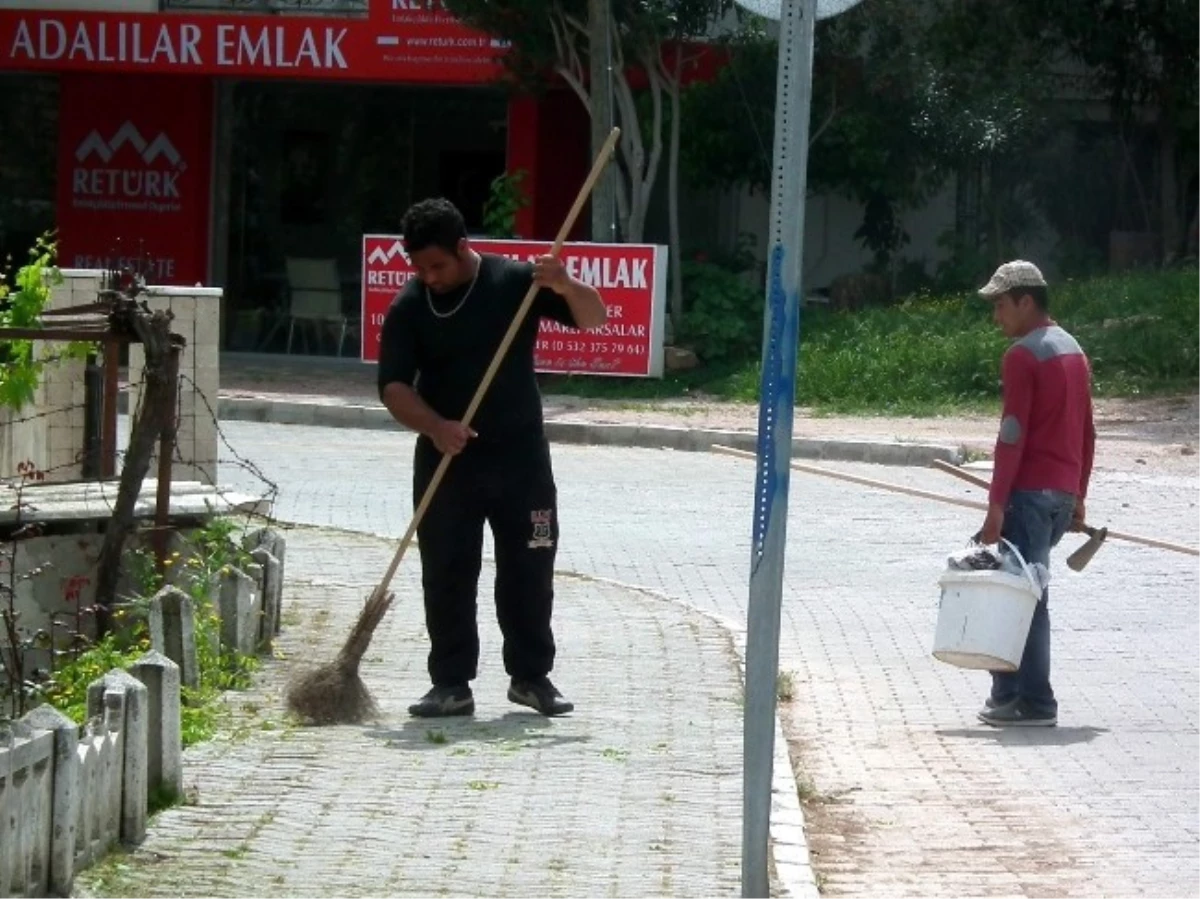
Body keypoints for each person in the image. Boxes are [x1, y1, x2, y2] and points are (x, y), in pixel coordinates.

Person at [377, 198, 607, 719]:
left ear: (463, 247)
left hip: (522, 461)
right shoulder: (410, 308)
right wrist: (436, 427)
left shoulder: (516, 284)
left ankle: (531, 677)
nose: (429, 277)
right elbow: (392, 387)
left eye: (437, 265)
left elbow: (593, 319)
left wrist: (566, 284)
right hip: (447, 460)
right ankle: (450, 684)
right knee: (447, 572)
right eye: (420, 268)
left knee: (530, 566)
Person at [975, 260, 1095, 728]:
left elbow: (1012, 437)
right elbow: (1087, 431)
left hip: (1027, 497)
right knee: (1027, 591)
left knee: (1015, 595)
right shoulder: (1073, 350)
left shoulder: (1022, 356)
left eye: (1001, 305)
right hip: (1060, 497)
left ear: (1026, 301)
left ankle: (1028, 701)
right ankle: (1011, 695)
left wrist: (996, 506)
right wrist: (1078, 495)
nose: (996, 316)